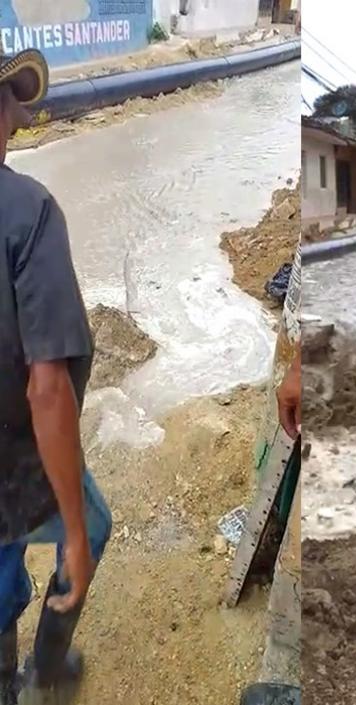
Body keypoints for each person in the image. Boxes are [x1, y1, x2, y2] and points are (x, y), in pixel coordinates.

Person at [1, 50, 113, 703]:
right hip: (15, 463)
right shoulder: (28, 212)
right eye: (8, 101)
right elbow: (48, 388)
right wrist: (70, 529)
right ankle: (45, 667)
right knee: (91, 527)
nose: (17, 119)